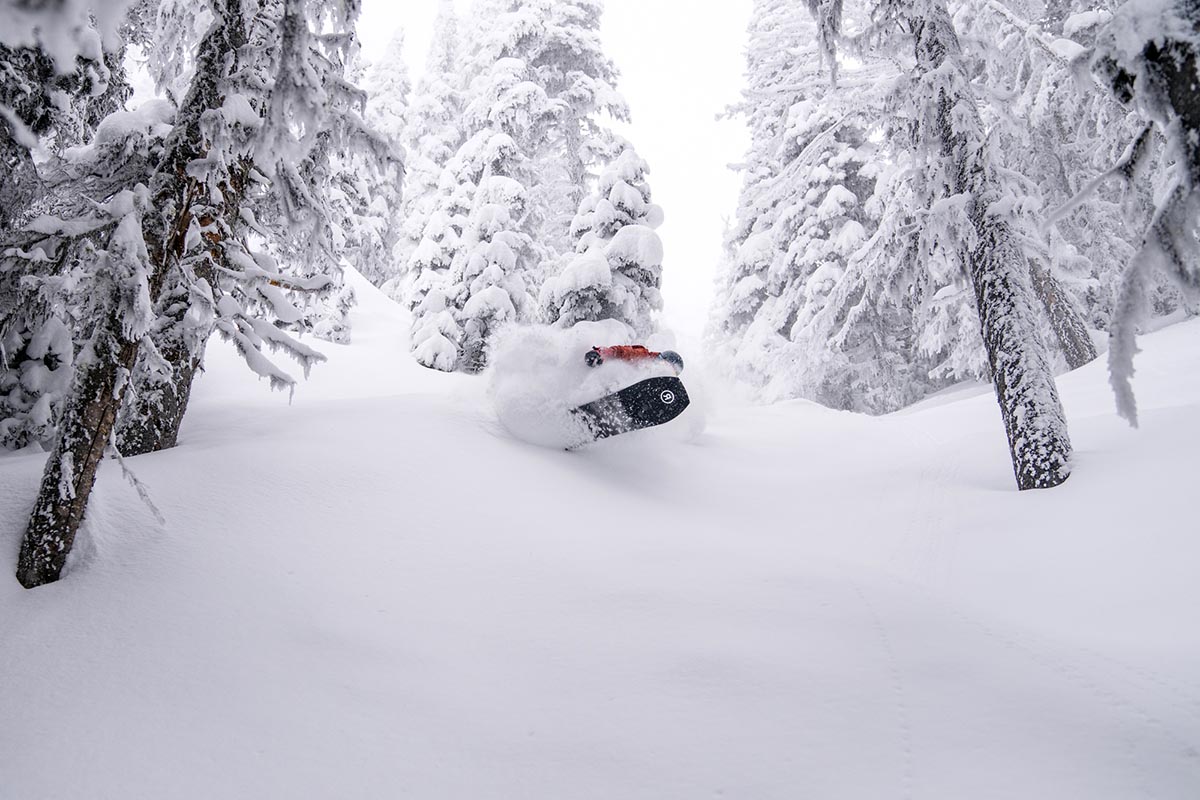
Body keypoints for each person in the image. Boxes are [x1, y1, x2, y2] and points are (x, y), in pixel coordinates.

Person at [585, 345, 684, 374]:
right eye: (666, 367)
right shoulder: (644, 356)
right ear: (661, 360)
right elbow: (624, 352)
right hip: (614, 384)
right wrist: (603, 353)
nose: (664, 373)